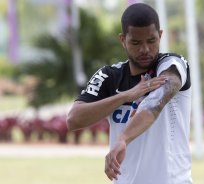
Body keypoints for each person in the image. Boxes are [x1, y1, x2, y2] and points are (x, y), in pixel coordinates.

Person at [67, 3, 192, 184]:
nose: (145, 49)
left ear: (160, 36)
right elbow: (74, 119)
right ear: (123, 39)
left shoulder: (172, 65)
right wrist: (126, 96)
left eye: (151, 41)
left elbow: (155, 103)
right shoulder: (109, 76)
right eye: (135, 42)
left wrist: (123, 138)